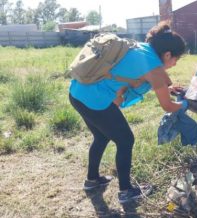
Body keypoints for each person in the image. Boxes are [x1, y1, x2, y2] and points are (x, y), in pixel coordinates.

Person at [69, 22, 188, 203]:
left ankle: (92, 181)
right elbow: (168, 106)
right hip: (95, 101)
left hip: (77, 92)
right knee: (126, 140)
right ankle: (126, 191)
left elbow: (155, 74)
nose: (175, 64)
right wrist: (187, 104)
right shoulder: (154, 68)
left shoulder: (141, 48)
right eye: (176, 59)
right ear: (167, 54)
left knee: (101, 137)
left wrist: (168, 87)